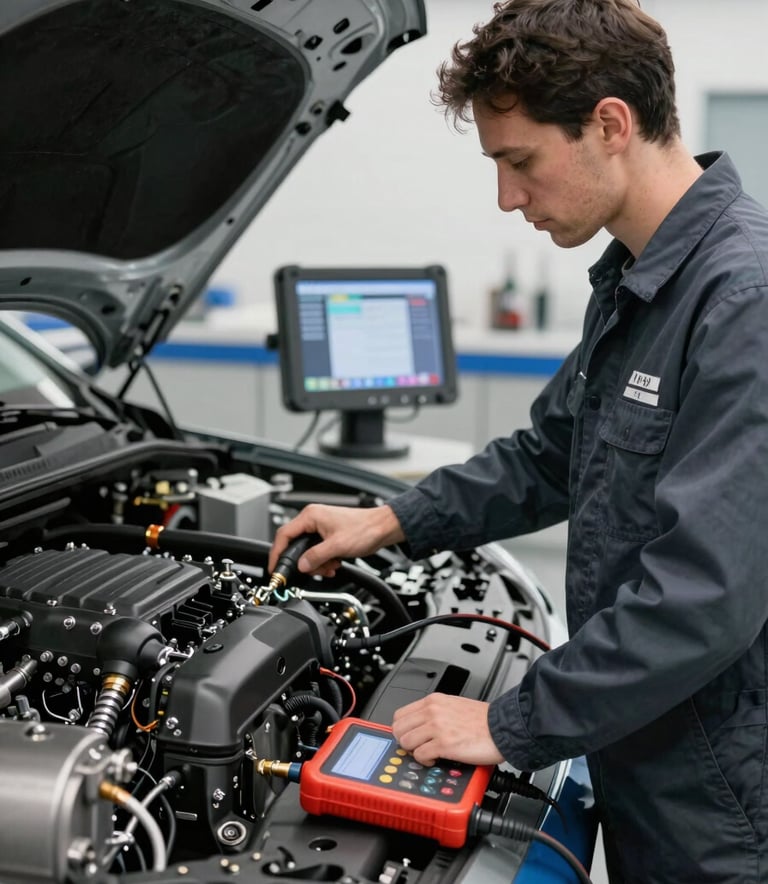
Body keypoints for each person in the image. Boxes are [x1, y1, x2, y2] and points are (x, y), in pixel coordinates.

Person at [269, 1, 768, 881]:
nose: (507, 198)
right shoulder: (639, 280)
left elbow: (703, 595)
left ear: (610, 125)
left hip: (719, 796)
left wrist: (511, 722)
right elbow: (550, 455)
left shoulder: (741, 302)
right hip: (645, 747)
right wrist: (389, 521)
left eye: (520, 161)